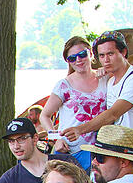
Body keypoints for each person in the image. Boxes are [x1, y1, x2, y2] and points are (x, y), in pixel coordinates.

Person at [61, 30, 133, 182]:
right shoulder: (110, 81)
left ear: (124, 52)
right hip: (114, 160)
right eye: (101, 55)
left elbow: (113, 114)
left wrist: (80, 129)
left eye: (111, 54)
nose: (106, 60)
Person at [40, 36, 107, 170]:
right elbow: (44, 115)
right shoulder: (64, 85)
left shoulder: (105, 78)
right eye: (72, 58)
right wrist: (56, 139)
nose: (78, 60)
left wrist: (109, 70)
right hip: (72, 151)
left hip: (102, 150)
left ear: (91, 53)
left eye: (82, 55)